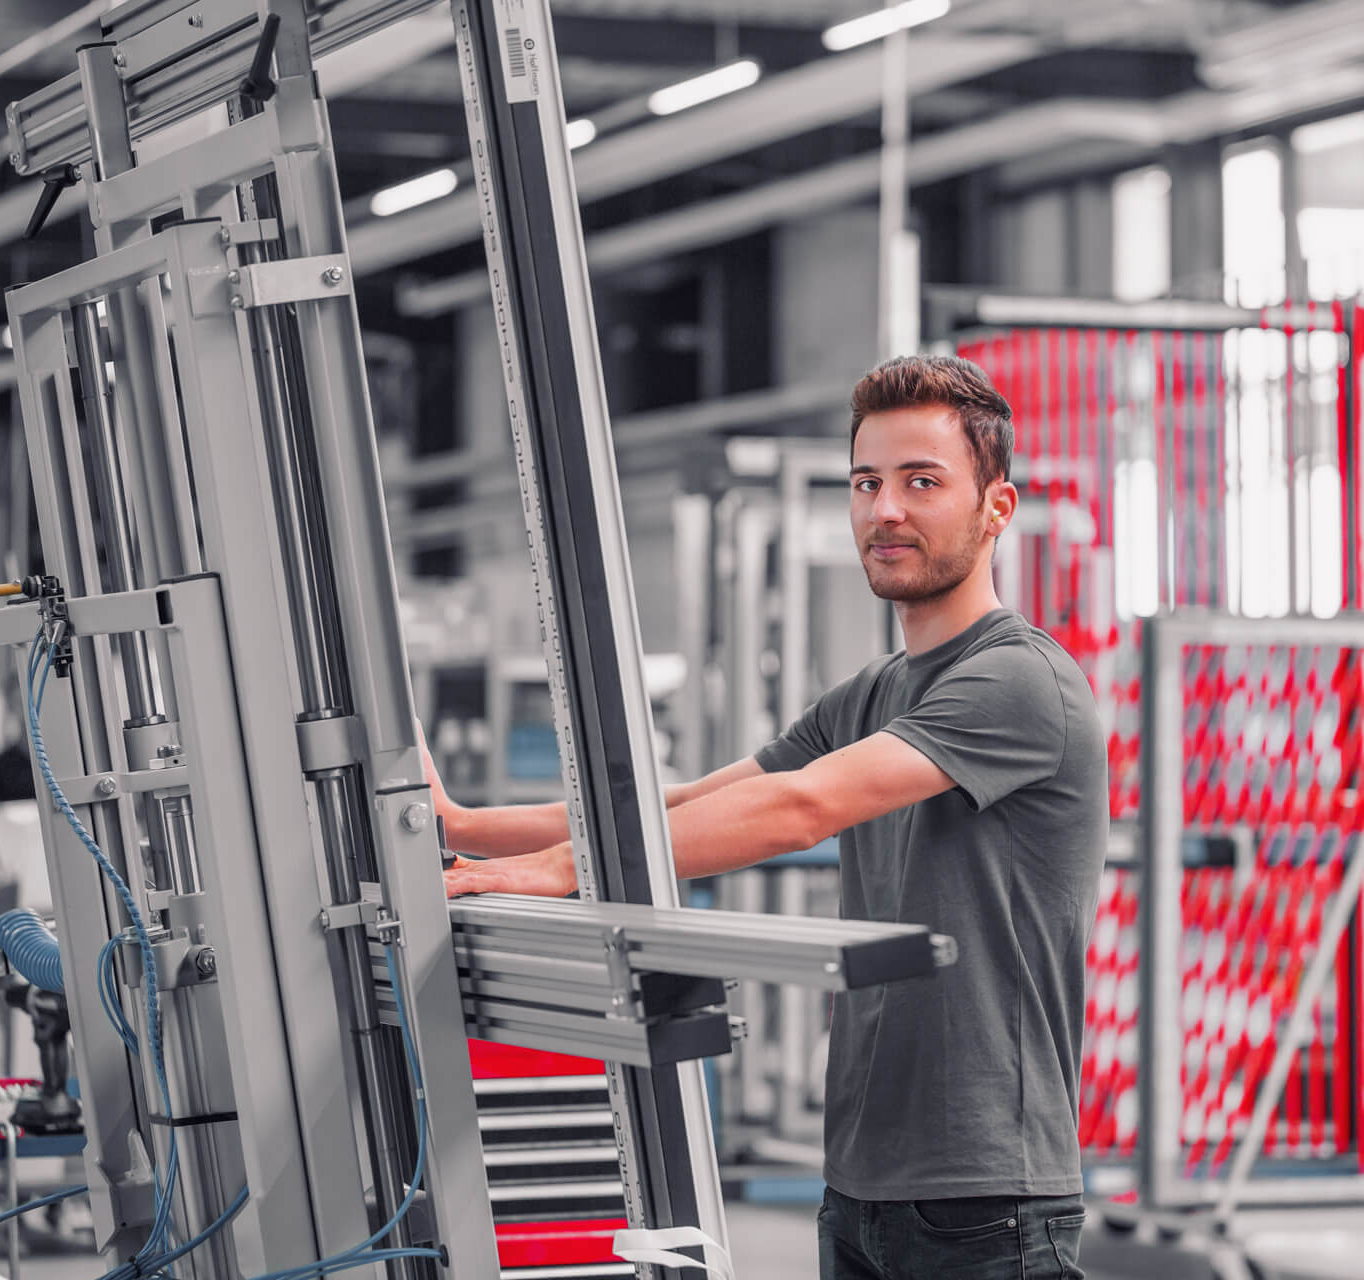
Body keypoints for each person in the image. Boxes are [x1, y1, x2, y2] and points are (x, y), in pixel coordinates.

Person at [432, 354, 1108, 1280]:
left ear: (998, 506)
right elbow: (687, 804)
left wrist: (559, 871)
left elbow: (799, 809)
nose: (886, 511)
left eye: (922, 482)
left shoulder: (1021, 680)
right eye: (867, 483)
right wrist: (465, 828)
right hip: (862, 1182)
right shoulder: (872, 692)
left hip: (989, 1198)